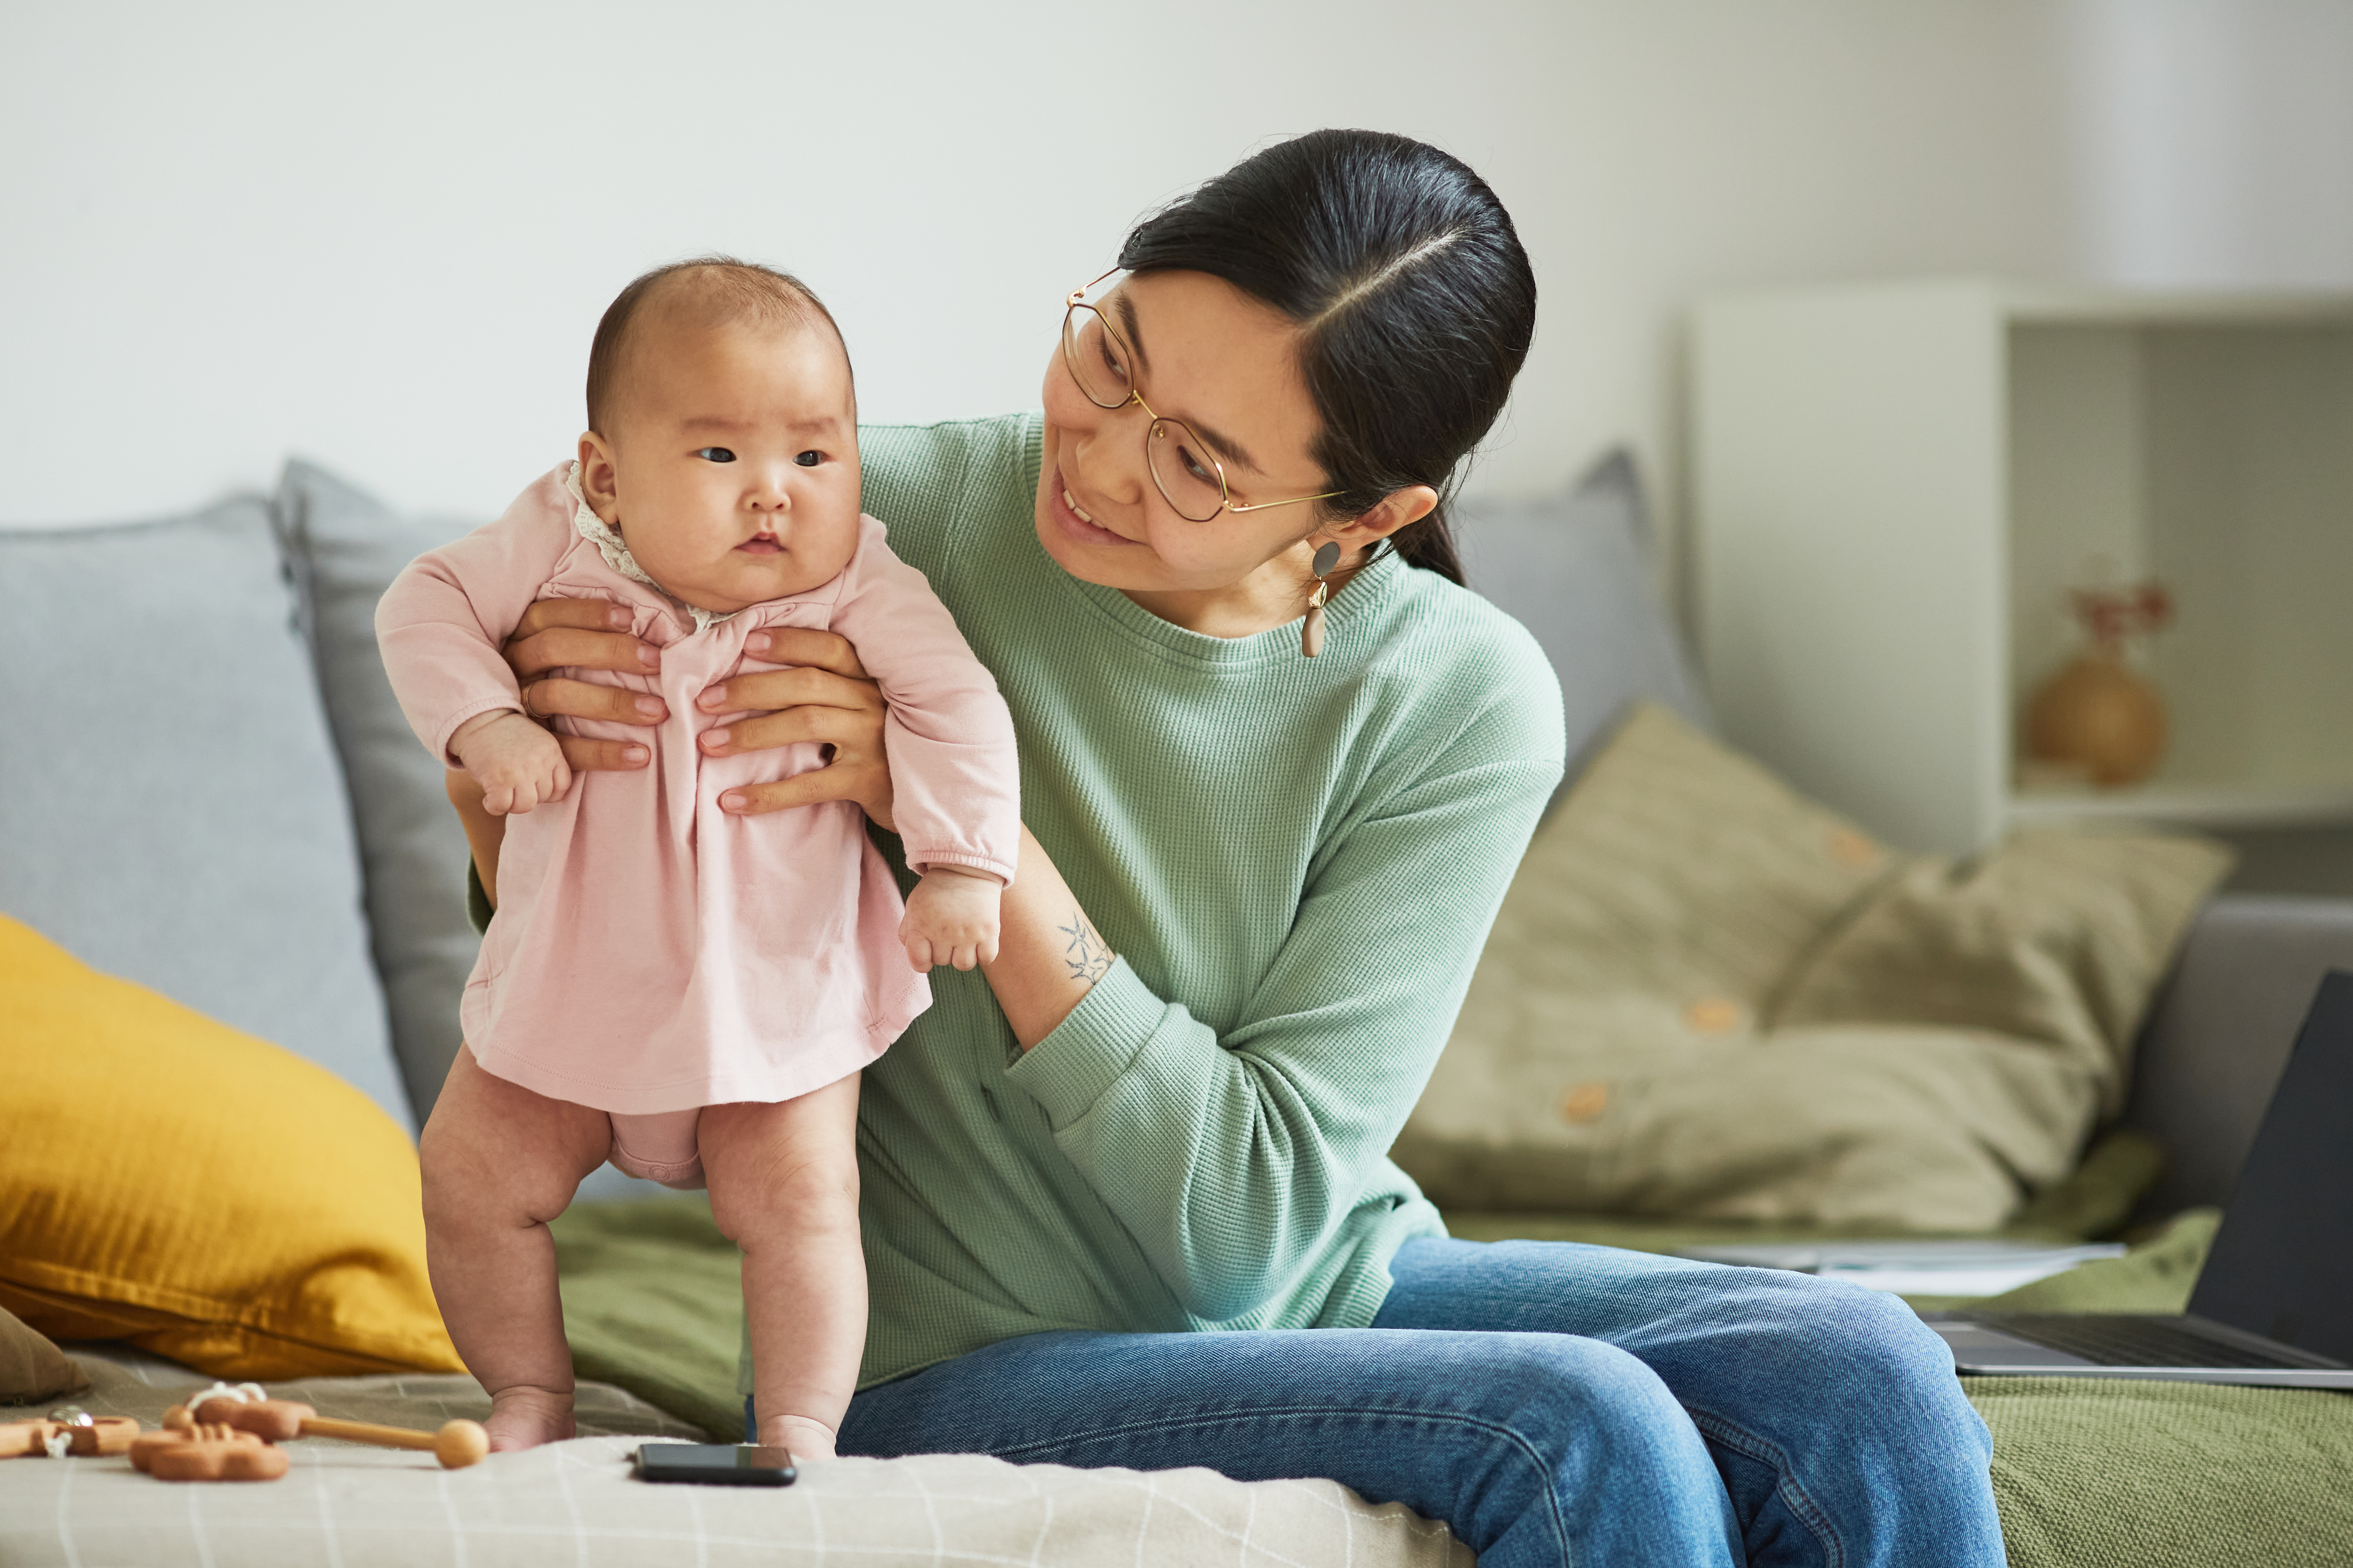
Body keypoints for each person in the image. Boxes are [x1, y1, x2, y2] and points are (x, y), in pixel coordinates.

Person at [451, 131, 2005, 1565]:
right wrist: (524, 766)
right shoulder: (856, 525)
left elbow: (1253, 1235)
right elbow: (568, 870)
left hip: (1318, 1278)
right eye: (1110, 356)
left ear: (1364, 518)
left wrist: (955, 829)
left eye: (1198, 462)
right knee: (1572, 1426)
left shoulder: (1453, 695)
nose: (1104, 456)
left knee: (1860, 1365)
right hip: (937, 1353)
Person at [382, 260, 1020, 1460]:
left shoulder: (857, 585)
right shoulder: (553, 544)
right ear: (605, 478)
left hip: (775, 1002)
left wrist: (963, 865)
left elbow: (955, 702)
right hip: (571, 985)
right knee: (468, 1176)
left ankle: (796, 1424)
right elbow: (421, 607)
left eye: (814, 458)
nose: (773, 494)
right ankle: (528, 1393)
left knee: (805, 1207)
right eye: (721, 456)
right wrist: (487, 724)